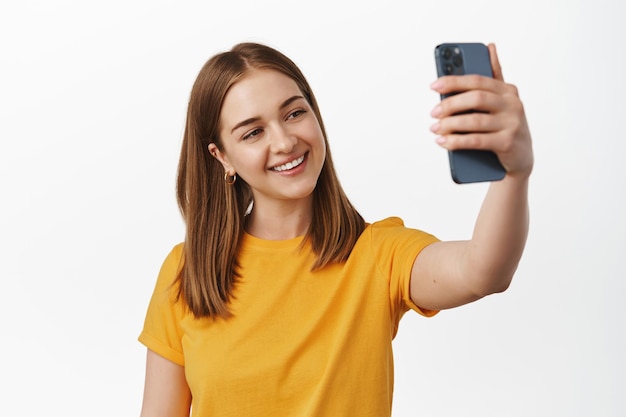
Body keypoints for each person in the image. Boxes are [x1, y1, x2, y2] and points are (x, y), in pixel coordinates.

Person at [138, 42, 533, 417]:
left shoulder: (377, 254)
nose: (285, 141)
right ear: (222, 156)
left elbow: (484, 271)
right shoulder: (186, 271)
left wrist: (513, 175)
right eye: (253, 132)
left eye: (294, 113)